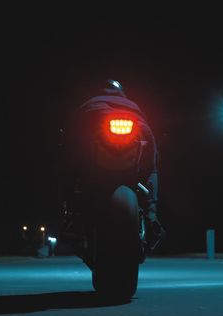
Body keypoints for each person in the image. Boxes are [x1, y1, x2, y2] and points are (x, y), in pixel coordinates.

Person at [64, 79, 166, 251]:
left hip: (95, 152)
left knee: (67, 162)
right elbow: (148, 143)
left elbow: (72, 134)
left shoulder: (91, 105)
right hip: (137, 130)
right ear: (121, 93)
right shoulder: (131, 105)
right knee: (152, 165)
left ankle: (70, 217)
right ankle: (152, 216)